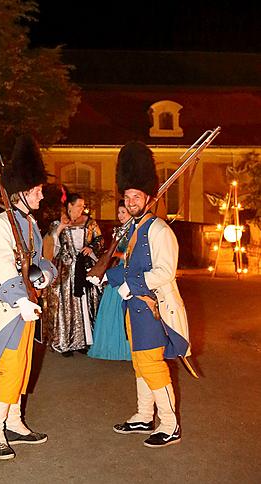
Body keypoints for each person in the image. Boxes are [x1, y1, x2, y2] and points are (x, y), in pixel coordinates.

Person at [88, 141, 190, 448]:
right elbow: (126, 268)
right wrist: (104, 276)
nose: (131, 201)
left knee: (151, 363)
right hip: (133, 309)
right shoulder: (131, 230)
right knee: (139, 362)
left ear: (148, 198)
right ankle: (145, 415)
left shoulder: (159, 230)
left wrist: (130, 286)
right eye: (128, 196)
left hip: (152, 308)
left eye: (137, 196)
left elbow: (164, 273)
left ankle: (170, 425)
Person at [0, 135, 57, 460]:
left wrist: (46, 274)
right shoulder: (2, 224)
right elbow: (3, 267)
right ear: (24, 192)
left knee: (23, 365)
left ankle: (15, 422)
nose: (42, 193)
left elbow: (37, 262)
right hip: (11, 308)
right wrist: (22, 301)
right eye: (37, 189)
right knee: (11, 369)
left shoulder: (29, 224)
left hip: (28, 306)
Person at [43, 192, 104, 356]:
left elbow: (100, 240)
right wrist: (61, 227)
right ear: (69, 206)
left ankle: (84, 342)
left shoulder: (90, 223)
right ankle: (66, 342)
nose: (81, 209)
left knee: (85, 303)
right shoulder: (57, 223)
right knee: (67, 305)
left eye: (83, 206)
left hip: (85, 268)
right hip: (66, 270)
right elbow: (49, 246)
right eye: (78, 206)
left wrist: (91, 247)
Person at [87, 199, 132, 360]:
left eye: (123, 212)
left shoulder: (135, 230)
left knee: (123, 309)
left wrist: (115, 254)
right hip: (116, 269)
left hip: (127, 269)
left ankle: (124, 348)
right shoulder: (121, 230)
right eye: (119, 212)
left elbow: (132, 255)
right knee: (109, 309)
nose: (120, 216)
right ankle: (110, 347)